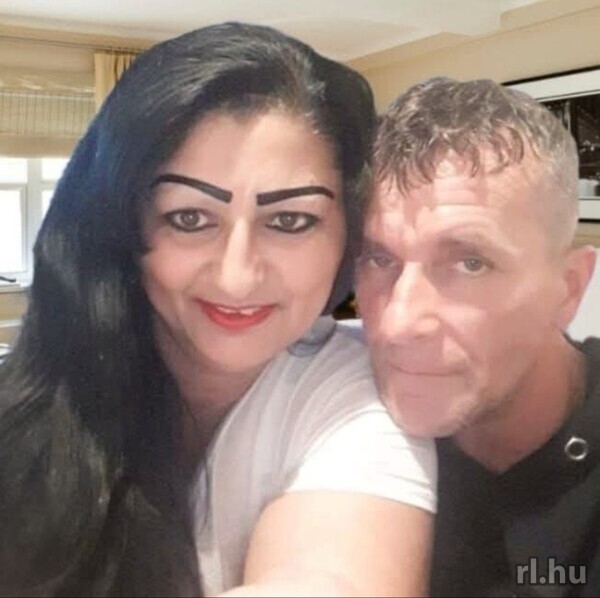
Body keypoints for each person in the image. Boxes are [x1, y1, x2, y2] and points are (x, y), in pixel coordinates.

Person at [0, 23, 436, 598]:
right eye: (189, 218)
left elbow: (334, 578)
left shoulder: (353, 397)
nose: (237, 277)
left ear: (348, 236)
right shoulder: (36, 400)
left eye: (290, 221)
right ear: (121, 225)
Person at [356, 77, 600, 597]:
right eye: (379, 258)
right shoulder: (337, 415)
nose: (399, 324)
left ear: (568, 288)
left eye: (471, 263)